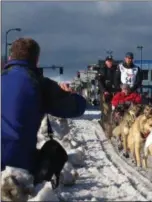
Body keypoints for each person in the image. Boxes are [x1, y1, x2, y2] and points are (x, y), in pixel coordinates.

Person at [1, 38, 86, 177]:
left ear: (10, 57)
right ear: (37, 60)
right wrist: (70, 94)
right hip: (18, 162)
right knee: (54, 153)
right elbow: (77, 108)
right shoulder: (39, 84)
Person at [97, 56, 120, 128]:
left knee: (116, 108)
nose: (110, 62)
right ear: (106, 62)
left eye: (111, 61)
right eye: (108, 61)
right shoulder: (102, 70)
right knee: (106, 108)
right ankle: (105, 122)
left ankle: (116, 122)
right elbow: (99, 82)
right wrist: (104, 91)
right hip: (106, 92)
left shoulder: (117, 69)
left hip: (115, 91)